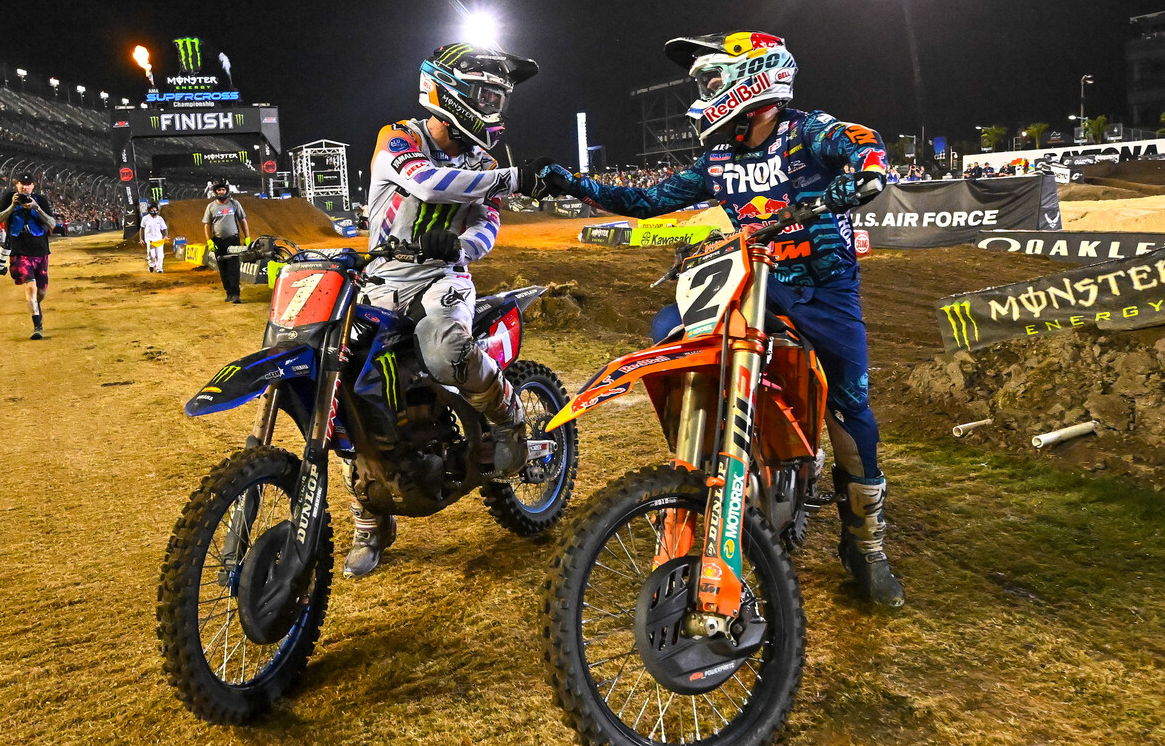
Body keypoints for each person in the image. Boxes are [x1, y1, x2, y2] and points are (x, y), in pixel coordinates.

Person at [529, 31, 901, 604]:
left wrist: (867, 170)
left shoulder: (805, 131)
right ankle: (702, 466)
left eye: (710, 79)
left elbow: (859, 140)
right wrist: (571, 182)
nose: (702, 92)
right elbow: (649, 200)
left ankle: (866, 541)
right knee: (668, 332)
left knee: (851, 403)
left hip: (823, 288)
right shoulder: (719, 156)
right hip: (752, 280)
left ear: (754, 76)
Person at [346, 40, 538, 577]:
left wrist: (462, 247)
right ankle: (371, 516)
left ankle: (508, 416)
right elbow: (427, 183)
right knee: (353, 389)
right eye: (483, 95)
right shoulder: (399, 137)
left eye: (498, 97)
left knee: (446, 346)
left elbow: (488, 222)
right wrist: (512, 176)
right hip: (383, 275)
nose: (493, 108)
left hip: (443, 279)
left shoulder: (481, 159)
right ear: (445, 91)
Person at [0, 177, 57, 338]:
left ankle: (35, 307)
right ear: (17, 185)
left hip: (40, 251)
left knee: (41, 291)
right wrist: (12, 206)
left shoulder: (40, 200)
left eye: (28, 185)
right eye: (22, 184)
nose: (25, 188)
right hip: (19, 251)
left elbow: (52, 223)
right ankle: (37, 326)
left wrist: (37, 208)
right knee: (31, 286)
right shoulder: (9, 198)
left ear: (33, 186)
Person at [203, 180, 250, 303]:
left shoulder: (234, 204)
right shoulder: (211, 207)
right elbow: (207, 225)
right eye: (219, 190)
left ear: (227, 190)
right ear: (215, 191)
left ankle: (235, 294)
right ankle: (228, 292)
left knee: (234, 267)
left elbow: (243, 220)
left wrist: (247, 237)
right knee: (223, 268)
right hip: (218, 242)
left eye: (223, 190)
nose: (221, 192)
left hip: (233, 240)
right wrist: (209, 241)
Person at [140, 202, 170, 272]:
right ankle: (151, 265)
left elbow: (164, 228)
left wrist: (165, 236)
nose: (154, 211)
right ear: (149, 210)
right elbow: (142, 228)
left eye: (155, 210)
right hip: (150, 240)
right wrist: (141, 239)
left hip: (159, 240)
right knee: (152, 255)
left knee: (160, 256)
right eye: (153, 210)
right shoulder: (145, 219)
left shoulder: (160, 219)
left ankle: (159, 269)